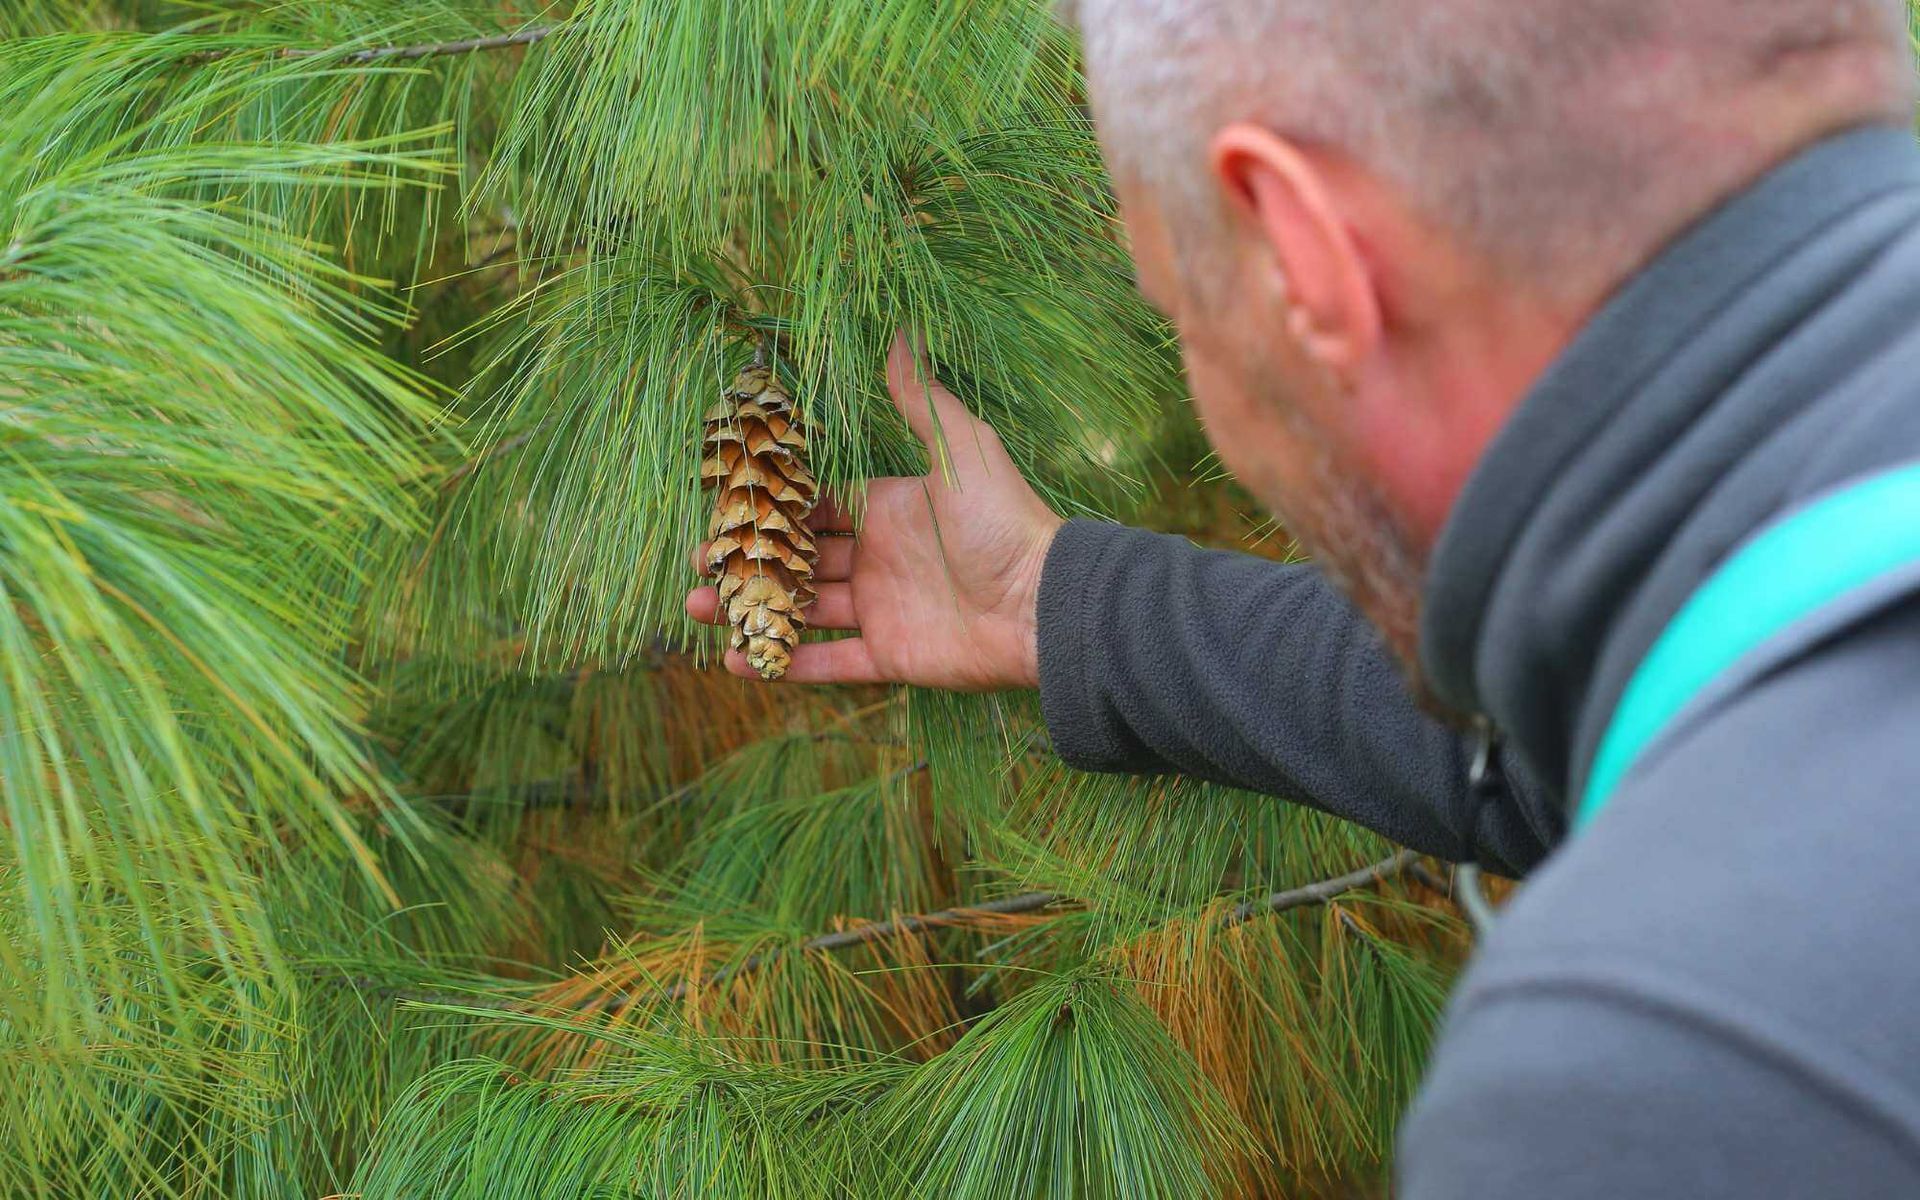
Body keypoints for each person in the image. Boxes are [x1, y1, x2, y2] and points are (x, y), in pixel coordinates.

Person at [689, 1, 1920, 1194]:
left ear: (1302, 258)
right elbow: (1572, 746)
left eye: (1183, 310)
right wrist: (1054, 603)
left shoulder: (1674, 1077)